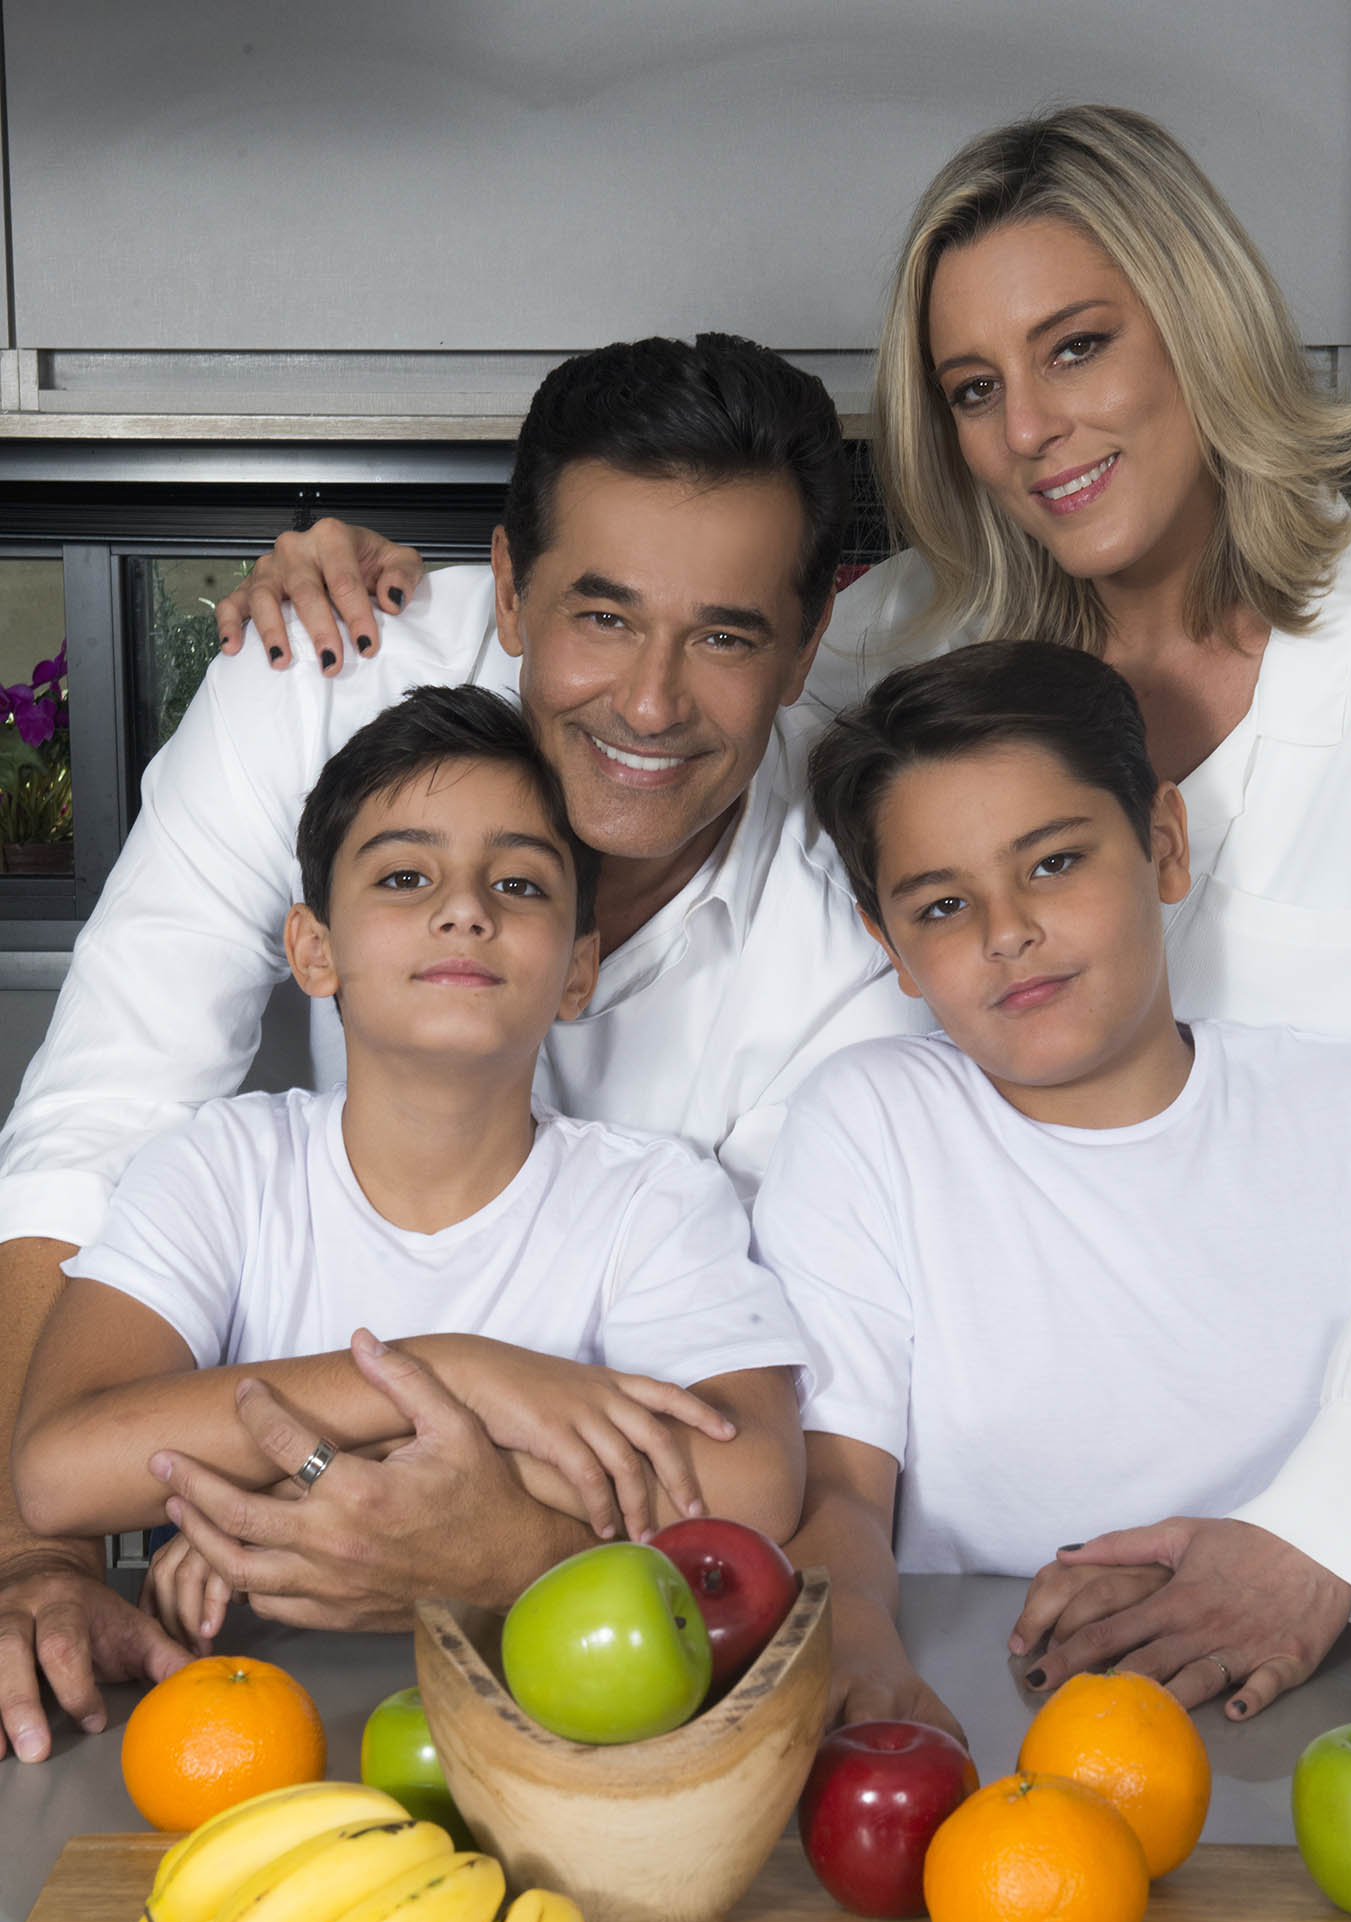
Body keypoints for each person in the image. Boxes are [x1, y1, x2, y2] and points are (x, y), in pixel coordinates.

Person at [217, 104, 1351, 1716]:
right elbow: (647, 637)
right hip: (969, 1547)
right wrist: (367, 598)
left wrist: (1322, 1535)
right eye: (974, 389)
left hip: (1344, 1548)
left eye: (1077, 347)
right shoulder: (904, 637)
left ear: (1203, 323)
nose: (1030, 428)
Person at [0, 333, 926, 1758]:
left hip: (593, 1666)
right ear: (503, 588)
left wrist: (497, 1543)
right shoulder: (316, 679)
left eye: (728, 635)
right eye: (600, 617)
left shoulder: (854, 937)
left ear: (806, 645)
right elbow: (97, 1123)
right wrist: (30, 1558)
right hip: (275, 1655)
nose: (652, 701)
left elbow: (761, 1436)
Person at [756, 641, 1351, 1737]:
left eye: (1054, 863)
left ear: (1163, 846)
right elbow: (841, 1493)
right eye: (943, 907)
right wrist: (855, 1647)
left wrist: (1308, 1573)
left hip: (1342, 1709)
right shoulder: (869, 1124)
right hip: (985, 1702)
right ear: (891, 948)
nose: (1009, 932)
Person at [13, 686, 806, 1649]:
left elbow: (756, 1480)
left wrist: (297, 1481)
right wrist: (452, 1370)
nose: (465, 910)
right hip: (266, 1699)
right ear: (315, 949)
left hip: (551, 1715)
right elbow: (58, 1468)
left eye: (518, 884)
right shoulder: (222, 1167)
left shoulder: (654, 1195)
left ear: (579, 968)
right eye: (403, 879)